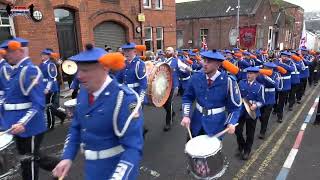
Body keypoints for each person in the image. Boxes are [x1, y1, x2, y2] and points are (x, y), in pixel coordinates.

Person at [52, 44, 144, 180]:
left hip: (116, 171)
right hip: (91, 170)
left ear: (105, 68)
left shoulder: (124, 98)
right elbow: (76, 127)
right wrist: (67, 157)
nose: (79, 76)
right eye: (79, 70)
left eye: (86, 70)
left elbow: (133, 148)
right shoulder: (84, 92)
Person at [0, 37, 59, 180]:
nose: (5, 55)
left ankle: (59, 165)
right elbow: (7, 98)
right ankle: (59, 165)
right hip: (15, 124)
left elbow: (38, 104)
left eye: (9, 52)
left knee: (29, 161)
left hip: (30, 126)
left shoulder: (30, 71)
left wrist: (23, 123)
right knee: (29, 157)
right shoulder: (15, 70)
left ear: (19, 51)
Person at [180, 49, 241, 139]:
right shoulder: (196, 77)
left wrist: (231, 122)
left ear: (218, 64)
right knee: (191, 149)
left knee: (211, 152)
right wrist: (186, 116)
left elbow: (235, 107)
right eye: (204, 60)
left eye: (209, 62)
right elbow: (187, 97)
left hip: (216, 126)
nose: (205, 64)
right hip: (196, 123)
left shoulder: (228, 81)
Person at [115, 42, 148, 136]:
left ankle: (139, 137)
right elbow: (118, 79)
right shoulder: (123, 64)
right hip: (126, 94)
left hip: (136, 95)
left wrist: (140, 99)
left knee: (135, 117)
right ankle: (142, 129)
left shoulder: (139, 64)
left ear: (134, 51)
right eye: (125, 51)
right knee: (128, 116)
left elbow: (143, 84)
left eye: (128, 51)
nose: (126, 53)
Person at [236, 66, 265, 160]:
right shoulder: (241, 83)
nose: (248, 75)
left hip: (252, 111)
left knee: (250, 132)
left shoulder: (260, 86)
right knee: (238, 130)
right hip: (241, 110)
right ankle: (241, 145)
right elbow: (237, 95)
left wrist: (256, 105)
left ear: (256, 75)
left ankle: (247, 151)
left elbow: (262, 101)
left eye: (251, 73)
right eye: (248, 73)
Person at [163, 47, 192, 131]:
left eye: (169, 50)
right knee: (164, 103)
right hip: (164, 86)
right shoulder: (162, 61)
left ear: (173, 52)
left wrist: (190, 70)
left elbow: (185, 67)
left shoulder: (176, 61)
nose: (167, 51)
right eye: (166, 50)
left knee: (169, 103)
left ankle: (168, 123)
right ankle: (172, 113)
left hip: (173, 86)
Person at [39, 49, 66, 129]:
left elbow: (52, 77)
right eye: (41, 55)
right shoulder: (41, 65)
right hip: (44, 88)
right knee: (49, 106)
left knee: (49, 106)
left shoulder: (51, 64)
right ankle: (61, 115)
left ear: (47, 56)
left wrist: (47, 88)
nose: (42, 56)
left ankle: (50, 125)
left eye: (44, 55)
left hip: (52, 88)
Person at [256, 62, 281, 139]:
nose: (268, 70)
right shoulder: (259, 74)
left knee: (266, 116)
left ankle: (262, 132)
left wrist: (266, 76)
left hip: (270, 97)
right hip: (261, 96)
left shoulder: (276, 75)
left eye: (270, 69)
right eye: (266, 68)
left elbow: (275, 85)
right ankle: (263, 125)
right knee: (260, 115)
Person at [274, 51, 295, 122]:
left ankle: (280, 116)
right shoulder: (276, 61)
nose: (284, 57)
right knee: (275, 98)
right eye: (283, 56)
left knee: (281, 101)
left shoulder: (290, 62)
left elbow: (292, 69)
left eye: (286, 56)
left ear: (288, 57)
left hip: (285, 85)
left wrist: (282, 64)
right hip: (277, 83)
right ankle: (275, 109)